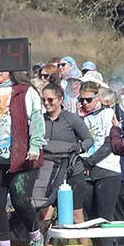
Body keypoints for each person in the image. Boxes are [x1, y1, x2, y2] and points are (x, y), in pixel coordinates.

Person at [0, 70, 47, 246]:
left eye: (2, 69)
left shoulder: (24, 91)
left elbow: (37, 119)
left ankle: (36, 236)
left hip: (21, 156)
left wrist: (35, 145)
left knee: (20, 200)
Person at [37, 82, 92, 225]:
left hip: (72, 171)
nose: (46, 103)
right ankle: (47, 245)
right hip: (46, 172)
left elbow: (88, 139)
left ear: (61, 99)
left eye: (50, 100)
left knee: (76, 216)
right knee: (44, 211)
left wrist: (79, 148)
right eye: (43, 100)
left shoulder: (71, 119)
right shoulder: (40, 120)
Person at [76, 79, 122, 224]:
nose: (84, 103)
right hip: (88, 172)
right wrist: (79, 119)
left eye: (88, 99)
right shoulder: (82, 117)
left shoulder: (107, 113)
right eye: (81, 99)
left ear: (98, 97)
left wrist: (88, 162)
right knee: (91, 218)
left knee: (104, 217)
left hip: (107, 170)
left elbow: (108, 144)